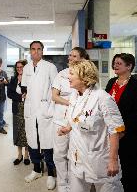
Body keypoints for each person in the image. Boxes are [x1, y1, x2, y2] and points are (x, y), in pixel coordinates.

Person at [58, 60, 124, 192]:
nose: (68, 76)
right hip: (77, 158)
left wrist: (113, 160)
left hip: (99, 160)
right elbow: (77, 118)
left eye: (71, 73)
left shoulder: (102, 98)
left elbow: (116, 130)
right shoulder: (74, 95)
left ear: (83, 76)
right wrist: (68, 128)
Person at [52, 47, 89, 192]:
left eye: (74, 56)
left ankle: (75, 186)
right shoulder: (61, 74)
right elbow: (54, 96)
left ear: (82, 59)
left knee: (75, 154)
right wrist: (71, 103)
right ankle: (62, 185)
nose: (70, 58)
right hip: (61, 119)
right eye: (70, 55)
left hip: (77, 122)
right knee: (59, 154)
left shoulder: (86, 75)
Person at [21, 41, 58, 190]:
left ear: (43, 51)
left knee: (47, 142)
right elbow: (24, 88)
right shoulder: (26, 68)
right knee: (32, 141)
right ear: (30, 51)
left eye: (39, 49)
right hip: (31, 110)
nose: (36, 52)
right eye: (33, 49)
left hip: (45, 109)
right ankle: (36, 169)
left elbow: (57, 89)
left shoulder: (50, 67)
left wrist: (51, 107)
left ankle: (50, 173)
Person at [105, 53, 137, 191]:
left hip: (128, 132)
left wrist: (124, 131)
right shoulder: (112, 82)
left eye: (119, 63)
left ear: (129, 66)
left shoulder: (135, 84)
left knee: (127, 163)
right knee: (113, 161)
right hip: (112, 130)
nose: (115, 65)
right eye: (115, 63)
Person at [7, 59, 30, 165]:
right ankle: (19, 155)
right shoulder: (13, 79)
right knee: (17, 131)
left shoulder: (29, 79)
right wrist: (21, 96)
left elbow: (29, 92)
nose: (19, 69)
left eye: (21, 67)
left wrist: (22, 86)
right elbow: (10, 94)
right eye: (17, 67)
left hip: (27, 108)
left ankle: (26, 155)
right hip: (17, 108)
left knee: (26, 131)